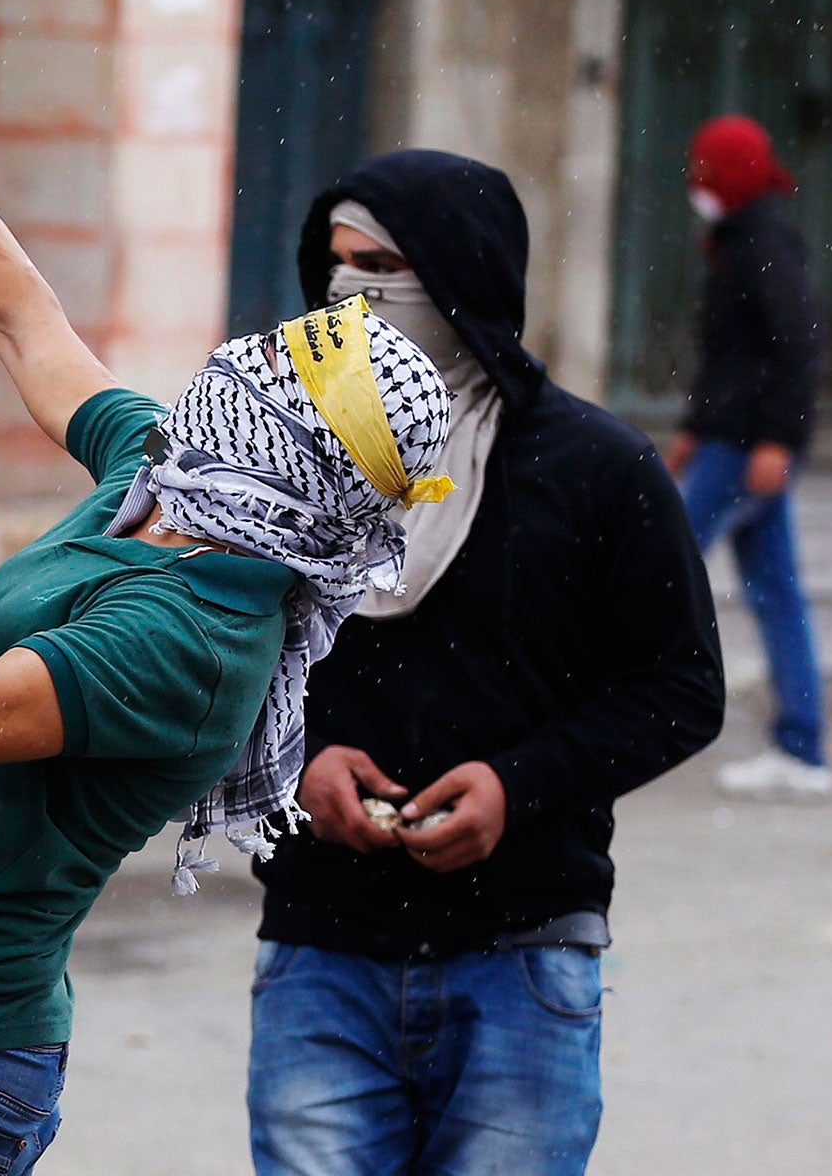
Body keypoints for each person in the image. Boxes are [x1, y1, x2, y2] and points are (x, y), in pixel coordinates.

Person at [0, 38, 454, 1175]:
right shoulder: (160, 489)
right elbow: (21, 317)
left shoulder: (200, 636)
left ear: (275, 444)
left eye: (260, 371)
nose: (230, 363)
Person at [244, 150, 725, 1176]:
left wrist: (516, 785)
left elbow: (679, 688)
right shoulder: (288, 457)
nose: (346, 294)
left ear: (462, 276)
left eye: (379, 265)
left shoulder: (597, 471)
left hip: (523, 951)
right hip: (319, 949)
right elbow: (228, 659)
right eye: (331, 266)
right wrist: (304, 763)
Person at [665, 114, 830, 797]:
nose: (696, 186)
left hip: (744, 449)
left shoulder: (764, 242)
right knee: (776, 593)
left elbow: (798, 344)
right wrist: (694, 428)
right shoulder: (740, 239)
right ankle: (801, 746)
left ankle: (583, 712)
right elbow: (730, 355)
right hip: (727, 440)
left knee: (655, 567)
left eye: (705, 172)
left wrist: (778, 440)